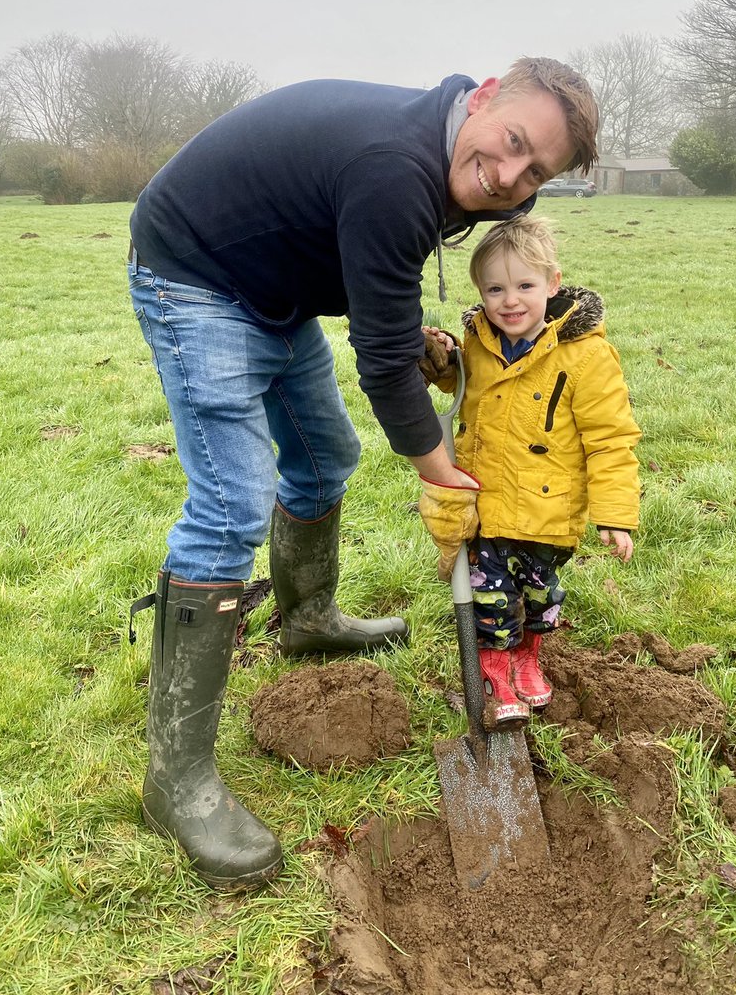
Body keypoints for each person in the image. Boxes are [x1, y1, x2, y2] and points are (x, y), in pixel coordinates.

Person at [126, 57, 599, 890]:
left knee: (323, 455)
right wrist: (441, 469)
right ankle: (176, 779)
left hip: (272, 291)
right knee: (231, 507)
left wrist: (411, 328)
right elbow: (380, 363)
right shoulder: (396, 167)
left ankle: (307, 615)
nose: (511, 177)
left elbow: (368, 269)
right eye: (514, 143)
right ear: (484, 98)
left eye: (537, 173)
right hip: (195, 276)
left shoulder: (454, 163)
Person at [420, 216, 640, 726]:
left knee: (541, 596)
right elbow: (456, 377)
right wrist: (438, 358)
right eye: (495, 289)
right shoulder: (478, 342)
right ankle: (495, 666)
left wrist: (615, 514)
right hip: (488, 504)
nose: (509, 301)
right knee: (492, 598)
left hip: (548, 509)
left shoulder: (586, 355)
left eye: (524, 286)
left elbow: (610, 439)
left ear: (553, 284)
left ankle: (527, 658)